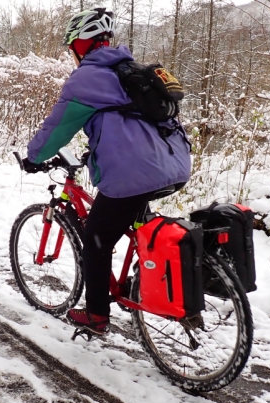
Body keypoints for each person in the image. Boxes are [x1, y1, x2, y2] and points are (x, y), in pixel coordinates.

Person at [22, 8, 191, 336]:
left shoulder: (87, 78)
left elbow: (57, 128)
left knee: (96, 241)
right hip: (174, 165)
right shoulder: (132, 70)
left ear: (81, 44)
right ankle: (139, 282)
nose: (72, 53)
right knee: (139, 229)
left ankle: (97, 315)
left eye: (72, 46)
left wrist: (33, 158)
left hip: (133, 175)